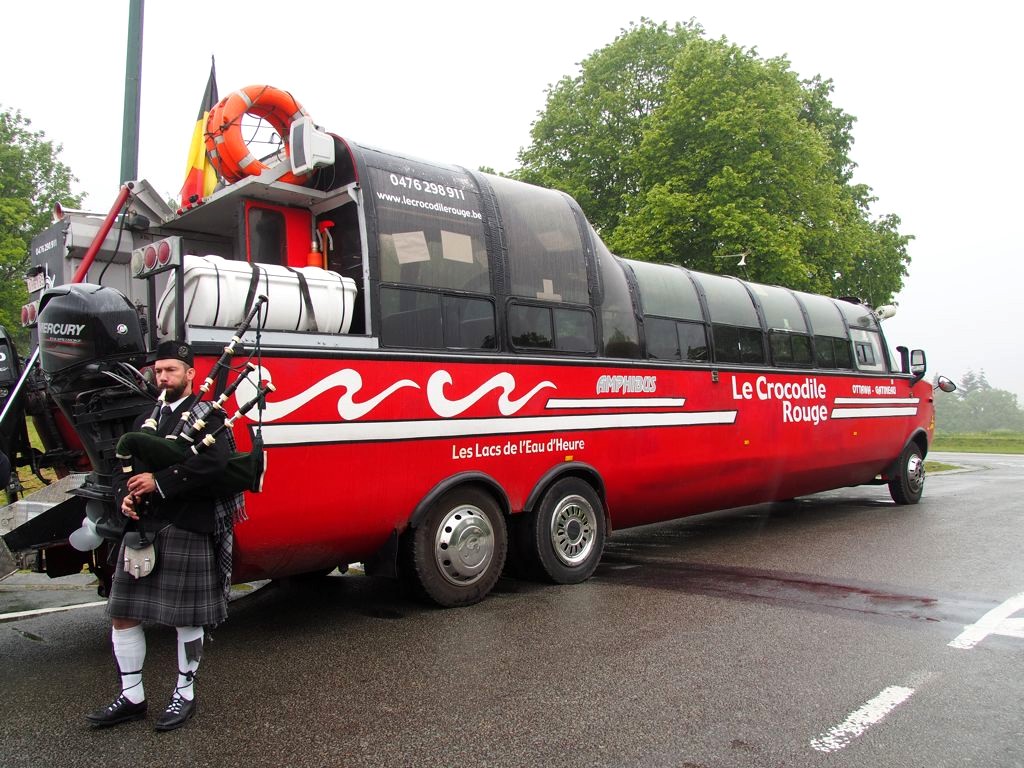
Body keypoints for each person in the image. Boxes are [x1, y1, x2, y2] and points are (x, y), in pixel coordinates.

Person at [85, 340, 244, 732]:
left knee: (185, 618)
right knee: (123, 614)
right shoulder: (146, 418)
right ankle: (132, 696)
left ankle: (184, 693)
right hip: (144, 527)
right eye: (158, 371)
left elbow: (215, 465)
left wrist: (159, 483)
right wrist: (124, 499)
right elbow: (123, 467)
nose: (163, 377)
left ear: (190, 374)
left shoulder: (210, 416)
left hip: (187, 523)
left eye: (171, 370)